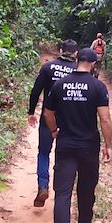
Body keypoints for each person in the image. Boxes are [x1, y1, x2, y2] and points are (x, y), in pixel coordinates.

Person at [43, 48, 112, 223]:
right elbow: (105, 119)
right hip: (88, 145)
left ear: (76, 60)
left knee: (62, 194)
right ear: (93, 63)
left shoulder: (60, 84)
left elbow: (47, 112)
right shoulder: (97, 86)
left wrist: (54, 130)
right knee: (86, 187)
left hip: (66, 144)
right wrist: (108, 146)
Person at [27, 39, 78, 206]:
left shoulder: (48, 67)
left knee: (43, 152)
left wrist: (31, 112)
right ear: (76, 53)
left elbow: (36, 91)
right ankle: (62, 193)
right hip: (69, 121)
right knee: (64, 156)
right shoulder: (78, 70)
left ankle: (43, 185)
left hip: (48, 118)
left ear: (60, 50)